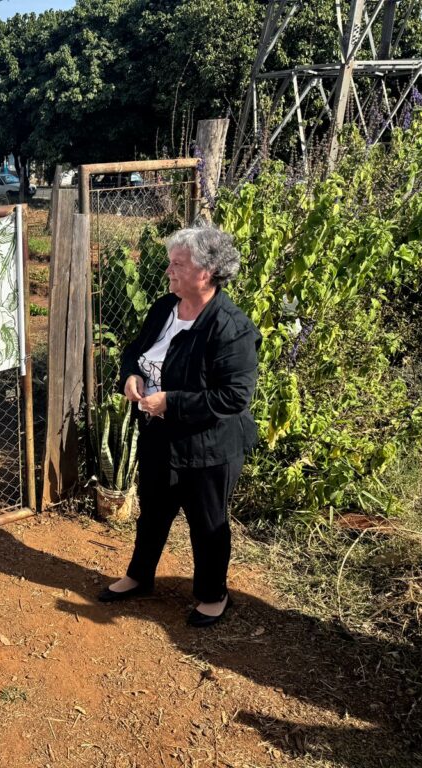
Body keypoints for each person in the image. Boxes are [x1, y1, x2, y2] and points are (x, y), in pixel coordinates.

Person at [99, 227, 260, 628]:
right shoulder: (165, 308)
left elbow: (233, 398)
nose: (169, 270)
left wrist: (171, 401)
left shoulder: (231, 328)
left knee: (207, 521)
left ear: (205, 273)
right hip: (160, 435)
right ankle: (139, 576)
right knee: (152, 511)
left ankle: (212, 594)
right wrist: (131, 375)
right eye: (171, 262)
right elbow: (135, 351)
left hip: (209, 446)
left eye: (178, 264)